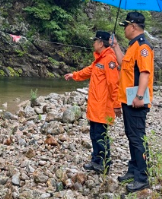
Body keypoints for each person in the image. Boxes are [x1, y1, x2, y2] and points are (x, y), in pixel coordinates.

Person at [65, 30, 121, 174]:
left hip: (103, 107)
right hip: (95, 106)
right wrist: (74, 75)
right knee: (94, 134)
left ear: (101, 43)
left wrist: (116, 105)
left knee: (101, 135)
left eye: (95, 41)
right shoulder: (99, 59)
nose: (93, 43)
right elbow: (88, 71)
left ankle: (104, 163)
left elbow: (114, 85)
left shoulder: (109, 60)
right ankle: (95, 160)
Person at [110, 12, 154, 193]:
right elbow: (124, 65)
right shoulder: (133, 46)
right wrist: (115, 47)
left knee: (137, 139)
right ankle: (133, 169)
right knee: (131, 136)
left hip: (137, 101)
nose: (124, 29)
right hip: (128, 100)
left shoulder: (143, 47)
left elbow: (145, 73)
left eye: (125, 26)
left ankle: (142, 177)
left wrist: (140, 97)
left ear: (133, 26)